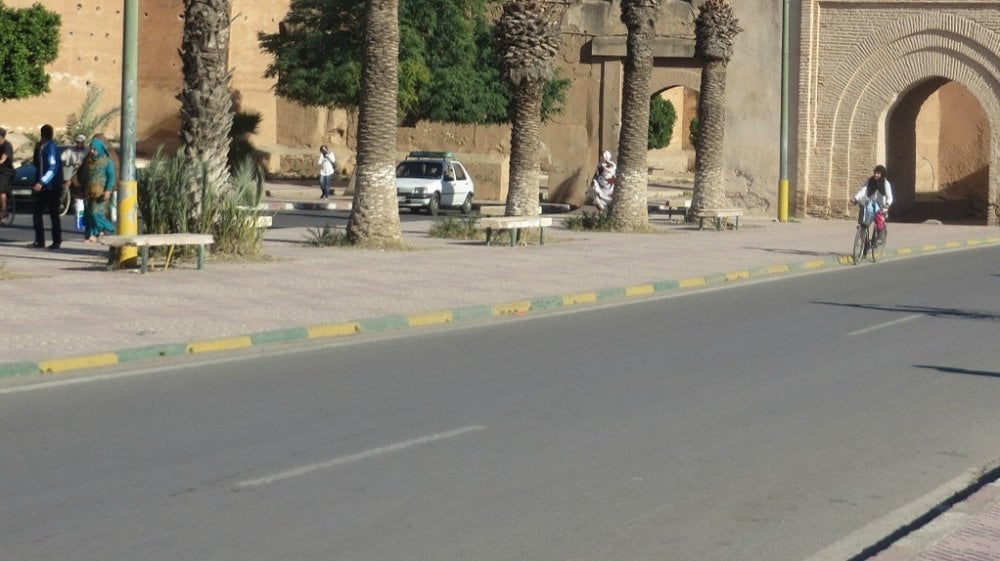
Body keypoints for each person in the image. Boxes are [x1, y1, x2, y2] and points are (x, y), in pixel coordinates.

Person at [76, 137, 116, 242]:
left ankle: (109, 227)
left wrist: (108, 190)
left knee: (95, 214)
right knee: (88, 215)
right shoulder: (88, 162)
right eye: (91, 149)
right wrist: (81, 189)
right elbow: (84, 176)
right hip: (88, 192)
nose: (92, 151)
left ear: (99, 149)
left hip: (100, 193)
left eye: (94, 149)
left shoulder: (107, 162)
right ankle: (91, 235)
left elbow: (111, 177)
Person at [31, 124, 63, 249]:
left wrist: (42, 182)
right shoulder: (42, 148)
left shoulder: (51, 148)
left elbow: (52, 168)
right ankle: (40, 241)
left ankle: (56, 241)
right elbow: (37, 165)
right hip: (44, 187)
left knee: (53, 215)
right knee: (37, 213)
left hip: (52, 187)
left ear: (42, 134)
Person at [0, 128, 14, 222]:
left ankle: (4, 211)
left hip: (6, 171)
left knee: (1, 189)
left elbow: (2, 159)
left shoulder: (7, 145)